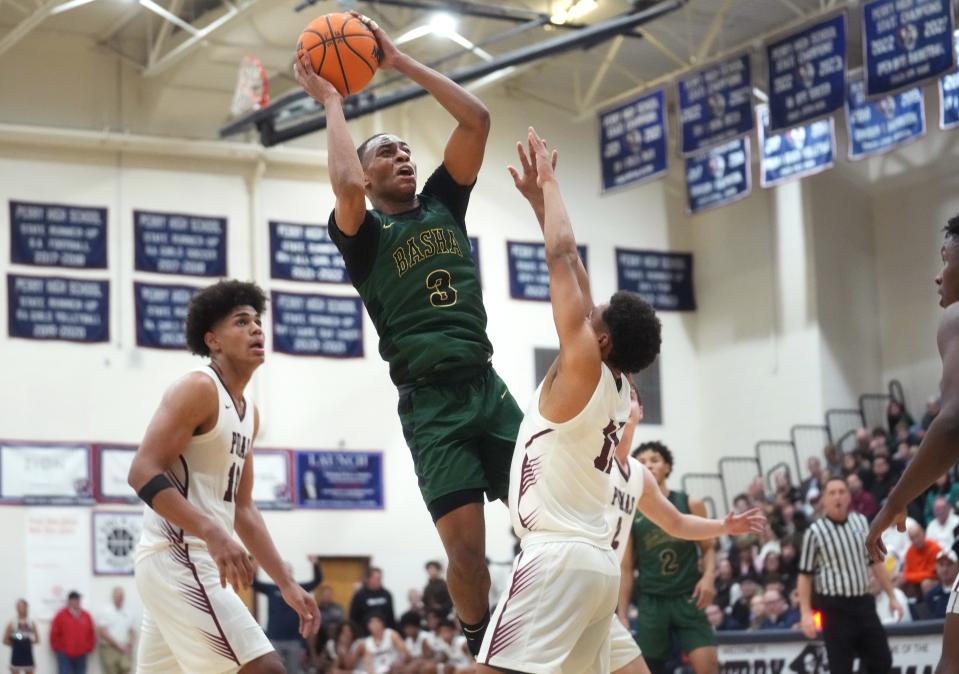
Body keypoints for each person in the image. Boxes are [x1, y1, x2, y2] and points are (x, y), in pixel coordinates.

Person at [475, 128, 763, 674]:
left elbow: (563, 258)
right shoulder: (621, 389)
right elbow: (576, 272)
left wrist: (553, 184)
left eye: (598, 313)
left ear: (602, 340)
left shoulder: (583, 365)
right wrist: (541, 206)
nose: (590, 307)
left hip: (555, 558)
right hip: (597, 571)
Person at [292, 13, 519, 657]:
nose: (402, 155)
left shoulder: (447, 202)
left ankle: (549, 626)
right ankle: (480, 645)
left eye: (405, 149)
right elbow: (341, 183)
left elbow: (476, 120)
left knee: (546, 518)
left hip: (487, 386)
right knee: (468, 554)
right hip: (431, 406)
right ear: (368, 174)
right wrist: (334, 102)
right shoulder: (363, 238)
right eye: (386, 150)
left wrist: (401, 63)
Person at [127, 280, 320, 673]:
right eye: (242, 321)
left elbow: (244, 509)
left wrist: (285, 582)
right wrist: (213, 533)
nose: (256, 329)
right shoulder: (199, 388)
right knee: (266, 669)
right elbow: (142, 471)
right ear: (213, 341)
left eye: (257, 321)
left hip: (183, 563)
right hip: (179, 554)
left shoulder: (250, 413)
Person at [625, 441, 722, 674]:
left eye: (655, 460)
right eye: (642, 462)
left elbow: (709, 548)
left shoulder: (690, 503)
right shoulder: (631, 510)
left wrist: (708, 578)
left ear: (667, 466)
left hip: (688, 597)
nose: (649, 465)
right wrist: (622, 613)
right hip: (651, 600)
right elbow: (626, 566)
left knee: (708, 667)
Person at [799, 478, 902, 674]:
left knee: (882, 661)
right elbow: (805, 576)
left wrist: (892, 596)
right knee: (841, 668)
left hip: (863, 604)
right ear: (823, 500)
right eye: (832, 493)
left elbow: (876, 562)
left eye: (841, 491)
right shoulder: (814, 532)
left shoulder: (861, 522)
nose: (837, 496)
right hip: (834, 609)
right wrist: (805, 613)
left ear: (849, 496)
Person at [253, 556, 324, 673]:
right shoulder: (271, 589)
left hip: (294, 640)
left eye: (288, 571)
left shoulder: (299, 589)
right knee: (273, 670)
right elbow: (254, 584)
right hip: (274, 638)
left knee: (293, 670)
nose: (285, 574)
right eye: (283, 571)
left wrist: (316, 565)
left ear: (291, 573)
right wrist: (254, 569)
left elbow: (317, 581)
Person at [49, 591, 95, 674]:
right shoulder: (61, 615)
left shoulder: (86, 615)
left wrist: (88, 647)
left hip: (81, 654)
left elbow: (91, 633)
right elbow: (54, 633)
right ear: (69, 601)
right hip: (64, 654)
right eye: (74, 600)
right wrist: (58, 649)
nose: (77, 602)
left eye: (78, 600)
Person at [97, 587, 136, 674]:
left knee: (126, 670)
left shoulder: (129, 612)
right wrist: (118, 645)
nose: (119, 598)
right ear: (113, 596)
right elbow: (102, 632)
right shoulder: (105, 611)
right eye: (117, 595)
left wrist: (130, 645)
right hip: (109, 649)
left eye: (121, 596)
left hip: (125, 650)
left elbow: (132, 631)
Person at [350, 568, 397, 635]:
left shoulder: (387, 594)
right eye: (378, 578)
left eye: (381, 578)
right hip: (365, 634)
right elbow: (353, 617)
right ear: (370, 579)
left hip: (384, 634)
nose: (380, 580)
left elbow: (391, 616)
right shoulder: (360, 595)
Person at [3, 599, 38, 674]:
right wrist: (15, 644)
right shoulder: (12, 623)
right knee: (15, 671)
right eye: (19, 607)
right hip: (16, 653)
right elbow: (5, 640)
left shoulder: (31, 622)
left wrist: (27, 643)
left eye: (23, 606)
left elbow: (37, 639)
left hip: (27, 653)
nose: (21, 609)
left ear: (26, 607)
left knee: (29, 671)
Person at [927, 550, 959, 619]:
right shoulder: (931, 595)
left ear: (957, 566)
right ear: (936, 567)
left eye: (949, 564)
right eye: (941, 564)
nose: (945, 569)